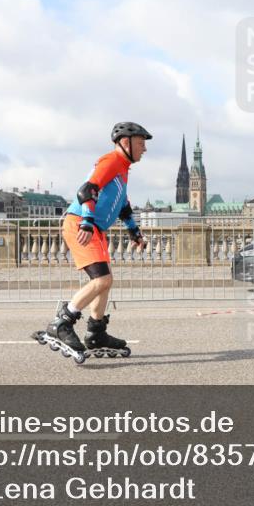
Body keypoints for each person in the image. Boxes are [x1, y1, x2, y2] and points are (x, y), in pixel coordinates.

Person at [44, 122, 152, 352]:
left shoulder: (123, 170)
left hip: (95, 229)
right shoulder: (111, 161)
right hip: (80, 224)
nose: (144, 149)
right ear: (126, 142)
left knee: (106, 280)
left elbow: (123, 207)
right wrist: (86, 222)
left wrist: (135, 233)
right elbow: (86, 190)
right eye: (141, 143)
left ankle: (96, 332)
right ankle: (62, 322)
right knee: (102, 280)